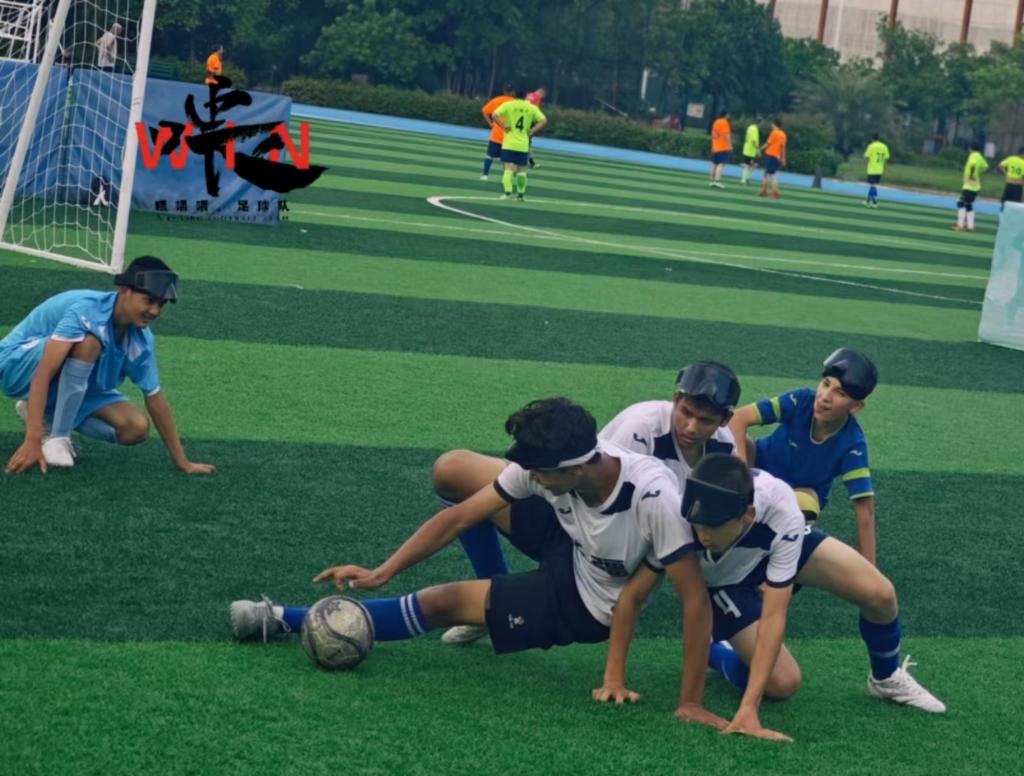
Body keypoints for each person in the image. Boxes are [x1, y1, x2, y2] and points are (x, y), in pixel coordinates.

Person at [230, 398, 723, 728]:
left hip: (587, 599)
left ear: (575, 467)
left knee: (442, 602)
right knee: (456, 473)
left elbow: (694, 600)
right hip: (567, 535)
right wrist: (383, 571)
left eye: (536, 472)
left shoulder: (654, 498)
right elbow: (460, 517)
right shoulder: (554, 470)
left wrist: (690, 701)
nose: (527, 476)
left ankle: (284, 618)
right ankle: (494, 598)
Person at [673, 455, 945, 742]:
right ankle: (716, 650)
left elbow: (774, 613)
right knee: (783, 683)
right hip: (723, 582)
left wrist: (749, 708)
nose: (702, 535)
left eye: (712, 526)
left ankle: (886, 678)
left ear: (748, 515)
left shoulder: (779, 505)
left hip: (768, 551)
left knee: (880, 593)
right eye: (698, 525)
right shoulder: (677, 512)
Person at [1, 256, 215, 475]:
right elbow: (44, 372)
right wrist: (33, 439)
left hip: (69, 380)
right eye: (149, 300)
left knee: (136, 428)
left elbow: (155, 398)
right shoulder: (88, 310)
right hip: (16, 366)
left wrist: (183, 462)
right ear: (124, 291)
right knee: (89, 343)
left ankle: (45, 414)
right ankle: (58, 438)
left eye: (161, 304)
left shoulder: (141, 341)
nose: (155, 311)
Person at [727, 348, 878, 565]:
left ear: (856, 407)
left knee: (806, 503)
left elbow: (865, 510)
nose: (824, 397)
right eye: (825, 383)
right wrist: (743, 478)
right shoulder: (801, 400)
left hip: (796, 494)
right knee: (725, 438)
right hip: (757, 469)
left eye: (840, 393)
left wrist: (869, 569)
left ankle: (769, 553)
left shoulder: (853, 444)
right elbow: (738, 418)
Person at [491, 88, 547, 201]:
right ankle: (520, 195)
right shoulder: (531, 107)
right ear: (526, 96)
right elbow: (543, 120)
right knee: (522, 171)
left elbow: (494, 114)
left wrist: (503, 126)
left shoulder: (508, 105)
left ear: (514, 95)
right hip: (523, 144)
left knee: (508, 168)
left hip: (509, 143)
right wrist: (532, 130)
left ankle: (507, 194)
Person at [479, 83, 515, 181]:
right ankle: (507, 178)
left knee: (489, 156)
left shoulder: (496, 100)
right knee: (508, 159)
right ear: (513, 92)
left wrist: (490, 123)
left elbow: (484, 110)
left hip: (496, 134)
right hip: (510, 135)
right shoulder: (515, 103)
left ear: (503, 91)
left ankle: (485, 175)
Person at [954, 141, 988, 232]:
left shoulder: (973, 155)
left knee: (961, 203)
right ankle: (970, 226)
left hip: (969, 185)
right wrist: (978, 173)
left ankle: (960, 225)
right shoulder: (980, 156)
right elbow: (985, 166)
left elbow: (973, 165)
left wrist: (972, 175)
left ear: (970, 148)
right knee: (968, 204)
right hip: (976, 185)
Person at [759, 118, 787, 200]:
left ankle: (775, 193)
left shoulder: (774, 133)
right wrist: (783, 158)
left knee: (771, 175)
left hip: (771, 155)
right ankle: (764, 191)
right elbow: (783, 148)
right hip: (776, 156)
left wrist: (760, 149)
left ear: (774, 124)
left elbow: (768, 143)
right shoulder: (783, 134)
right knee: (766, 173)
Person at [863, 133, 890, 208]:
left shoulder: (871, 146)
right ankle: (868, 201)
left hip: (872, 168)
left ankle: (874, 202)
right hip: (880, 169)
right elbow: (886, 157)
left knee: (872, 186)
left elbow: (866, 156)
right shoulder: (884, 146)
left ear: (872, 139)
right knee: (873, 185)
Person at [709, 111, 732, 188]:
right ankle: (717, 181)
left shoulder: (716, 122)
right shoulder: (724, 122)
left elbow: (713, 135)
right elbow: (726, 134)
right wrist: (730, 145)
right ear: (726, 115)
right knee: (721, 164)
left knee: (715, 163)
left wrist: (713, 146)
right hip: (723, 146)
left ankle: (712, 180)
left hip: (716, 146)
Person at [997, 146, 1024, 211]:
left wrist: (1006, 173)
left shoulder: (1011, 158)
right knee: (1016, 203)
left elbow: (1000, 165)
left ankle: (1002, 213)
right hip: (1018, 185)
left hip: (1009, 183)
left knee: (1005, 201)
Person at [525, 87, 546, 169]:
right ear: (542, 93)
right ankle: (530, 162)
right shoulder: (537, 97)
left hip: (521, 118)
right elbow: (535, 110)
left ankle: (531, 162)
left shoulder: (529, 95)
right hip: (529, 121)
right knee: (527, 142)